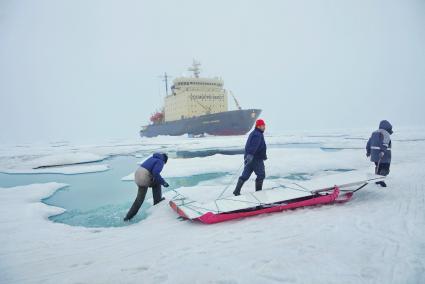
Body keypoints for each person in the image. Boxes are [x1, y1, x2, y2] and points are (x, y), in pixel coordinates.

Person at [124, 153, 169, 221]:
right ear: (165, 160)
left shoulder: (152, 158)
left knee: (155, 184)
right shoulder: (160, 161)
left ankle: (128, 216)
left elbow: (152, 172)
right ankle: (157, 201)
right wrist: (164, 182)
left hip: (137, 175)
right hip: (144, 177)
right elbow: (156, 173)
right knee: (141, 198)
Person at [233, 119, 267, 196]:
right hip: (256, 159)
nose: (264, 127)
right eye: (263, 126)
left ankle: (236, 191)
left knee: (245, 175)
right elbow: (254, 146)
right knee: (261, 175)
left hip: (249, 158)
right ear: (258, 126)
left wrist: (249, 156)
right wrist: (251, 154)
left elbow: (251, 146)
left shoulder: (254, 133)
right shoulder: (257, 134)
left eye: (264, 125)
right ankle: (259, 193)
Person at [366, 120, 393, 187]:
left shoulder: (374, 133)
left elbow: (369, 143)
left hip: (374, 156)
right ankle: (380, 180)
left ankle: (376, 180)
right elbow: (385, 143)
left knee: (378, 167)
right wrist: (382, 151)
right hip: (384, 156)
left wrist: (368, 151)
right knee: (385, 169)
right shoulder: (386, 133)